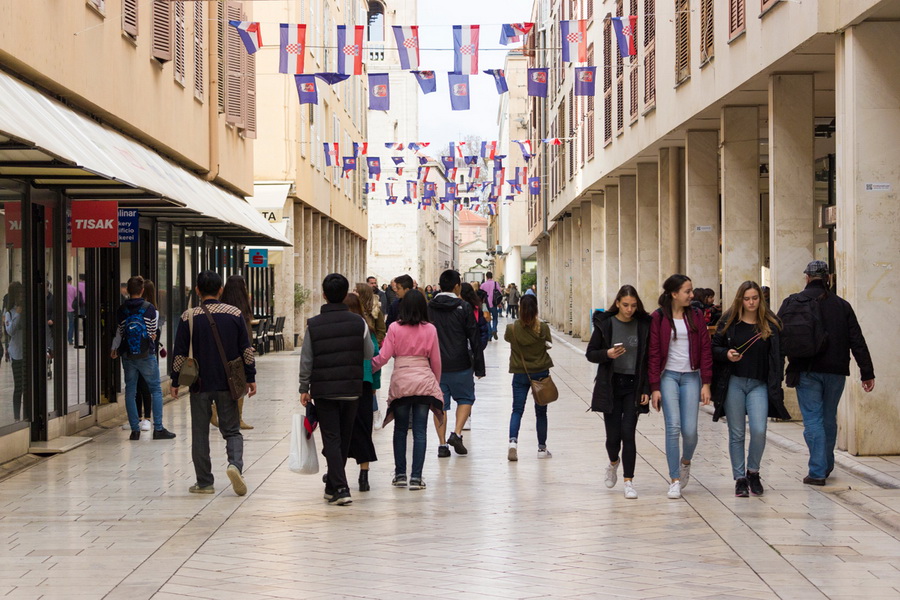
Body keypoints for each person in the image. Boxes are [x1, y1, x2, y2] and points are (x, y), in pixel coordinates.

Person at [778, 260, 875, 486]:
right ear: (828, 278)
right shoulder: (842, 306)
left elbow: (778, 335)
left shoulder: (793, 302)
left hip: (805, 369)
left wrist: (774, 371)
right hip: (835, 371)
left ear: (807, 278)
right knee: (828, 417)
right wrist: (867, 372)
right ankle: (826, 464)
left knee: (813, 419)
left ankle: (817, 471)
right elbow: (857, 340)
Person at [171, 270, 256, 496]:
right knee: (232, 430)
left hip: (199, 384)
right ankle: (234, 465)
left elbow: (179, 353)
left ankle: (204, 482)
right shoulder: (234, 313)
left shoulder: (188, 316)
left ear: (197, 291)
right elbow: (246, 350)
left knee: (200, 432)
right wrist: (251, 377)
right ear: (220, 290)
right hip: (227, 384)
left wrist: (174, 380)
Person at [298, 273, 374, 506]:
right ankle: (334, 486)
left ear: (324, 294)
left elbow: (307, 359)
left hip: (324, 390)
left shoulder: (314, 324)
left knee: (332, 437)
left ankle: (339, 487)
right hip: (352, 388)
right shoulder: (359, 323)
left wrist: (304, 386)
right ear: (346, 294)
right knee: (343, 436)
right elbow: (369, 353)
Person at [712, 281, 790, 497]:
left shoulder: (771, 323)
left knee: (759, 430)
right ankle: (740, 478)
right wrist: (726, 354)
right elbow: (714, 347)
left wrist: (778, 379)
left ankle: (753, 471)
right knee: (736, 433)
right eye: (747, 298)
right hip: (734, 382)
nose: (751, 302)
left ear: (761, 299)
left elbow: (778, 355)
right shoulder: (729, 322)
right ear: (740, 300)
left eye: (755, 298)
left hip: (759, 384)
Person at [372, 289, 444, 490]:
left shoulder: (394, 328)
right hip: (423, 381)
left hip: (401, 382)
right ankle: (416, 477)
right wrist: (434, 383)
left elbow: (384, 356)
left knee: (401, 429)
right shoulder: (430, 329)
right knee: (420, 431)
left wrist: (368, 367)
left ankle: (400, 474)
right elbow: (436, 361)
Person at [649, 274, 713, 499]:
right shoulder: (658, 317)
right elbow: (654, 352)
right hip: (668, 377)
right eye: (687, 291)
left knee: (690, 431)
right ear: (674, 294)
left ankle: (686, 461)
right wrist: (654, 386)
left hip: (691, 378)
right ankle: (674, 479)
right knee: (673, 427)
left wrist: (706, 382)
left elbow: (705, 348)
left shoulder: (696, 315)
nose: (692, 295)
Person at [586, 285, 651, 499]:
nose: (629, 309)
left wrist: (646, 389)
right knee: (613, 437)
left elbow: (649, 360)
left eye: (633, 305)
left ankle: (629, 481)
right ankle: (613, 462)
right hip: (611, 385)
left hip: (634, 385)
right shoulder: (606, 323)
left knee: (628, 433)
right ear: (617, 303)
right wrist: (608, 353)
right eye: (625, 305)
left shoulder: (643, 325)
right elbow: (591, 354)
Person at [428, 269, 486, 458]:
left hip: (436, 365)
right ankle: (457, 433)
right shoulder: (464, 307)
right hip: (461, 363)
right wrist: (479, 366)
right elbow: (474, 336)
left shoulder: (430, 307)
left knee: (440, 406)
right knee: (466, 398)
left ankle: (442, 445)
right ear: (456, 286)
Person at [111, 276, 176, 442]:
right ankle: (158, 429)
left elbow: (120, 332)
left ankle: (134, 430)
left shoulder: (122, 309)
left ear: (128, 290)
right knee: (155, 389)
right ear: (141, 290)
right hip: (146, 354)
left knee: (130, 391)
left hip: (127, 355)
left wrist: (114, 348)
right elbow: (153, 332)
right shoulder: (149, 308)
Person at [504, 294, 554, 461]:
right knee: (541, 412)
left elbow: (507, 339)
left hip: (520, 373)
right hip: (540, 373)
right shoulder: (543, 328)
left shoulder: (512, 329)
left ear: (520, 308)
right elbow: (549, 343)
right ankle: (541, 448)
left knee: (517, 410)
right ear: (536, 309)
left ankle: (513, 442)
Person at [344, 293, 379, 492]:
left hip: (345, 381)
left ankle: (337, 470)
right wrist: (374, 385)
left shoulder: (341, 327)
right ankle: (363, 475)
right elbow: (375, 358)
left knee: (343, 429)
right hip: (364, 383)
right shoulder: (367, 328)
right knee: (364, 428)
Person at [218, 274, 256, 430]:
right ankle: (237, 418)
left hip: (222, 351)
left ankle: (223, 413)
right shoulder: (242, 308)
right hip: (239, 352)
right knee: (239, 384)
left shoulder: (222, 305)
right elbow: (245, 332)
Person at [356, 283, 387, 427]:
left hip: (371, 348)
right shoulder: (353, 308)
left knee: (371, 382)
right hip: (358, 348)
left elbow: (381, 328)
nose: (354, 292)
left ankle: (374, 411)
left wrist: (377, 343)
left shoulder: (375, 310)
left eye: (356, 290)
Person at [4, 282, 25, 422]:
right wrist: (17, 315)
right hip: (16, 353)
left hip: (28, 352)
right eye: (18, 293)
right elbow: (10, 331)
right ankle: (17, 417)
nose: (21, 295)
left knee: (27, 385)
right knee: (18, 386)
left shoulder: (26, 310)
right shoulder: (9, 313)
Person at [460, 282, 490, 352]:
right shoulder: (482, 294)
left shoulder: (475, 308)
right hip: (468, 348)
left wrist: (479, 347)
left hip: (471, 348)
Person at [66, 275, 77, 344]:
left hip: (63, 309)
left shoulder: (61, 288)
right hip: (71, 309)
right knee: (71, 324)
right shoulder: (73, 288)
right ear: (71, 281)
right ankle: (70, 339)